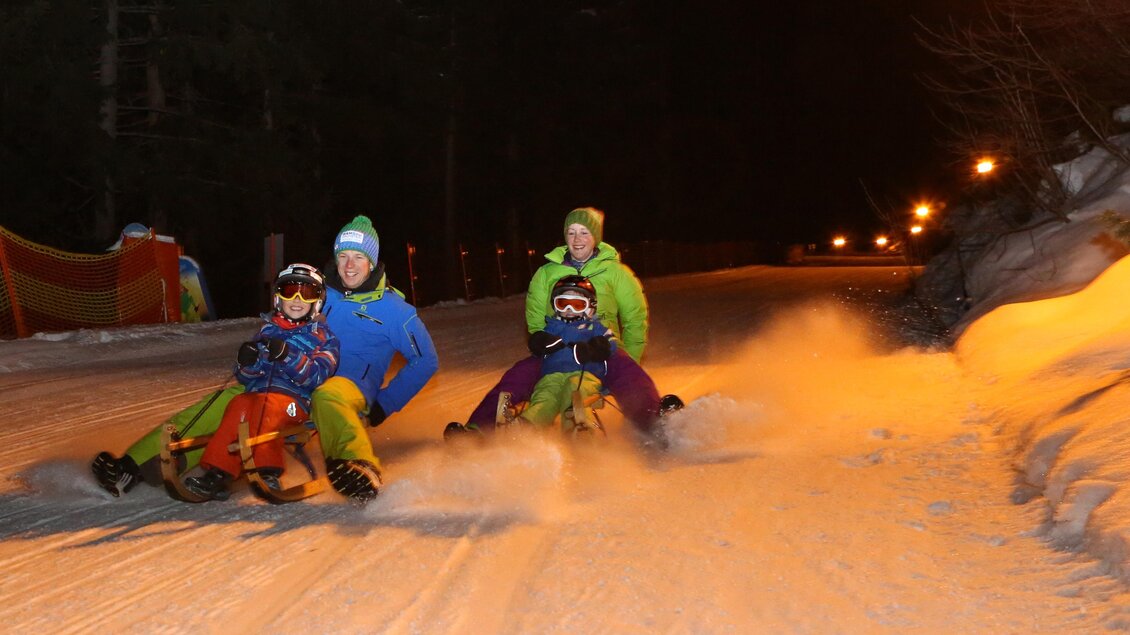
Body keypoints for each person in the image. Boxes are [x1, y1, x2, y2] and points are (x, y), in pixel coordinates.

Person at [91, 215, 439, 502]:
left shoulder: (396, 311)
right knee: (230, 398)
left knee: (328, 394)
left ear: (373, 261)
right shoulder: (317, 292)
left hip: (344, 386)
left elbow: (425, 361)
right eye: (344, 256)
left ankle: (357, 466)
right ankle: (136, 463)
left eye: (358, 257)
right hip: (286, 379)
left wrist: (384, 404)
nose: (349, 265)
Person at [446, 206, 680, 439]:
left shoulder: (616, 273)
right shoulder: (547, 272)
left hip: (599, 347)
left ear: (595, 237)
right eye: (571, 232)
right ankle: (478, 430)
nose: (577, 239)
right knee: (518, 375)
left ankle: (655, 424)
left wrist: (625, 357)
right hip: (556, 345)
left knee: (630, 375)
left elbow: (635, 319)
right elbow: (535, 316)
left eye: (584, 232)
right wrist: (539, 339)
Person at [182, 263, 339, 500]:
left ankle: (267, 470)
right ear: (278, 298)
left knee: (269, 407)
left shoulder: (324, 338)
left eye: (305, 293)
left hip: (295, 403)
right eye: (289, 291)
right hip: (257, 395)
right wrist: (247, 363)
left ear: (316, 302)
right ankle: (218, 472)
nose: (296, 299)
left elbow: (316, 376)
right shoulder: (266, 332)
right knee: (238, 405)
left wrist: (289, 355)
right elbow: (245, 378)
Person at [516, 275, 616, 430]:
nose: (569, 310)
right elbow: (537, 346)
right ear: (555, 306)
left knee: (575, 391)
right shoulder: (551, 328)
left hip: (585, 375)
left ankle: (579, 425)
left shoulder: (594, 328)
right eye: (563, 304)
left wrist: (597, 347)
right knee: (545, 395)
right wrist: (538, 341)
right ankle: (527, 426)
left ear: (590, 307)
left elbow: (611, 343)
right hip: (552, 375)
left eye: (577, 305)